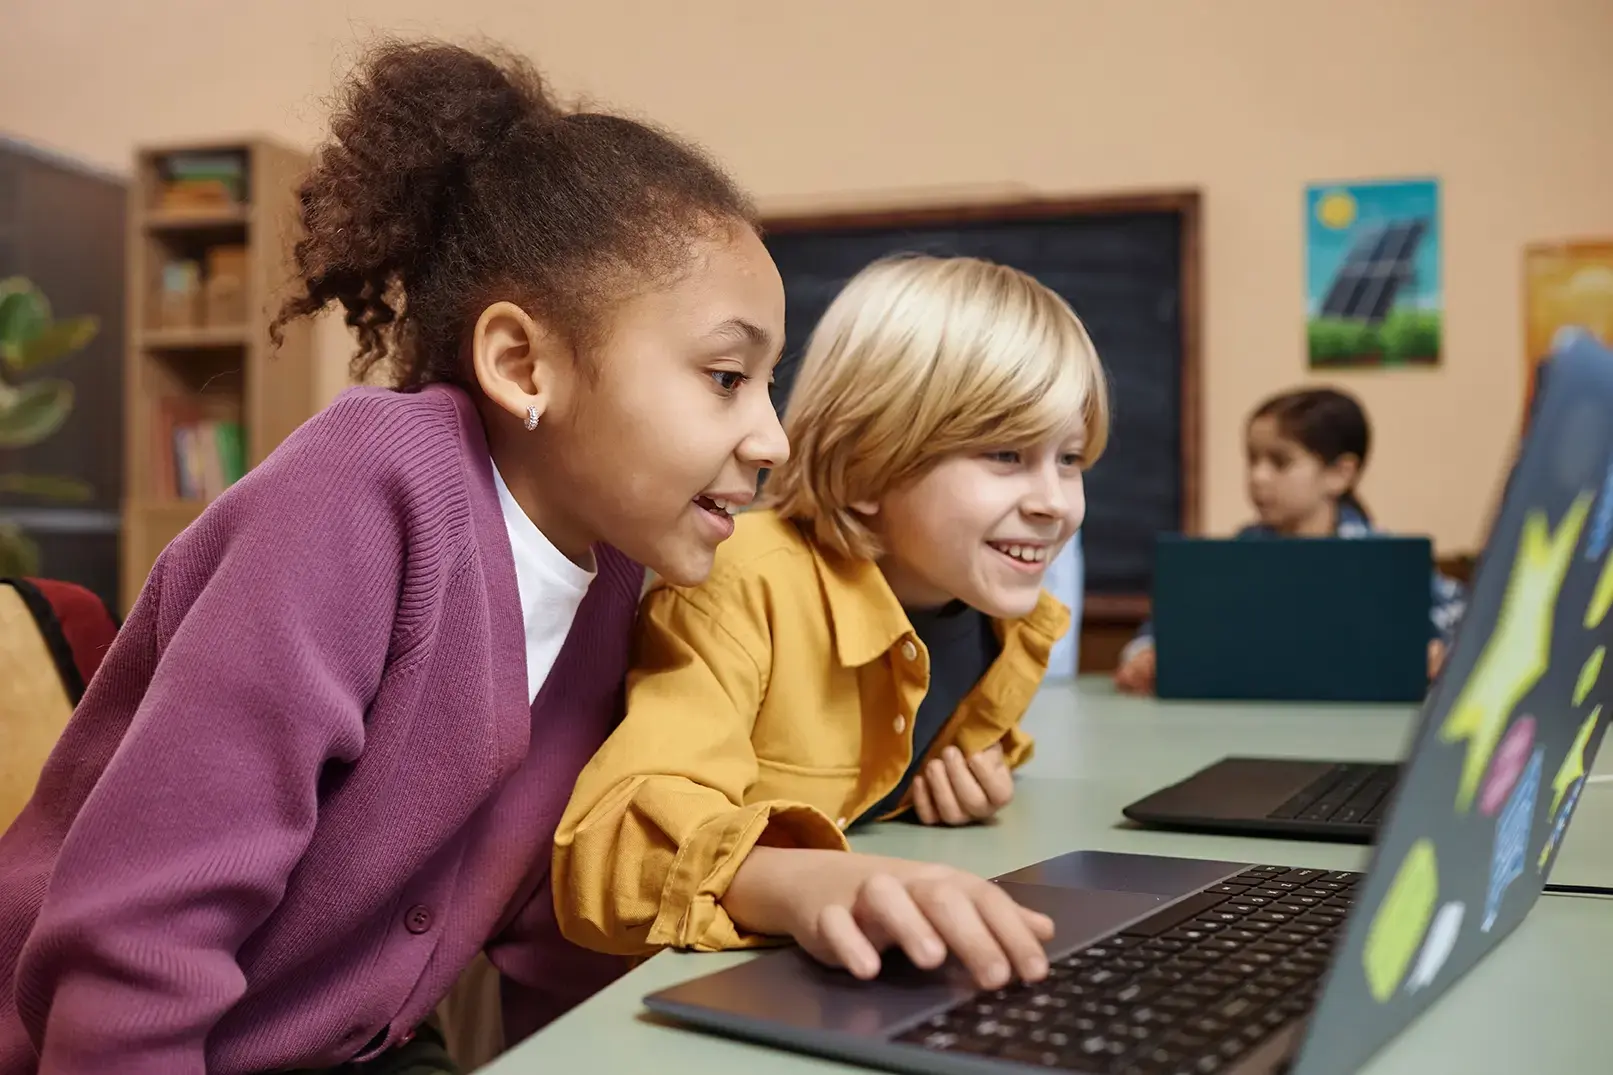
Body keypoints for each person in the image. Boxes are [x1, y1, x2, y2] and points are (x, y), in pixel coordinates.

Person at [0, 39, 786, 1075]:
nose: (770, 437)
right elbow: (134, 948)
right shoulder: (363, 494)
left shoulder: (616, 569)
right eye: (727, 377)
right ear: (520, 363)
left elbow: (545, 925)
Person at [554, 254, 1110, 993]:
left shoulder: (996, 613)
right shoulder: (741, 583)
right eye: (1004, 454)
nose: (1054, 502)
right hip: (669, 989)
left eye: (1068, 458)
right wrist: (808, 882)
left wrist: (955, 780)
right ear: (869, 466)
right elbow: (617, 838)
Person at [1114, 386, 1466, 695]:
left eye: (1279, 463)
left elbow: (1462, 615)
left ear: (1339, 474)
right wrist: (1145, 653)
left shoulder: (1386, 562)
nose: (1257, 477)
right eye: (1252, 460)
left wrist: (1444, 649)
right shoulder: (1233, 559)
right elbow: (1168, 626)